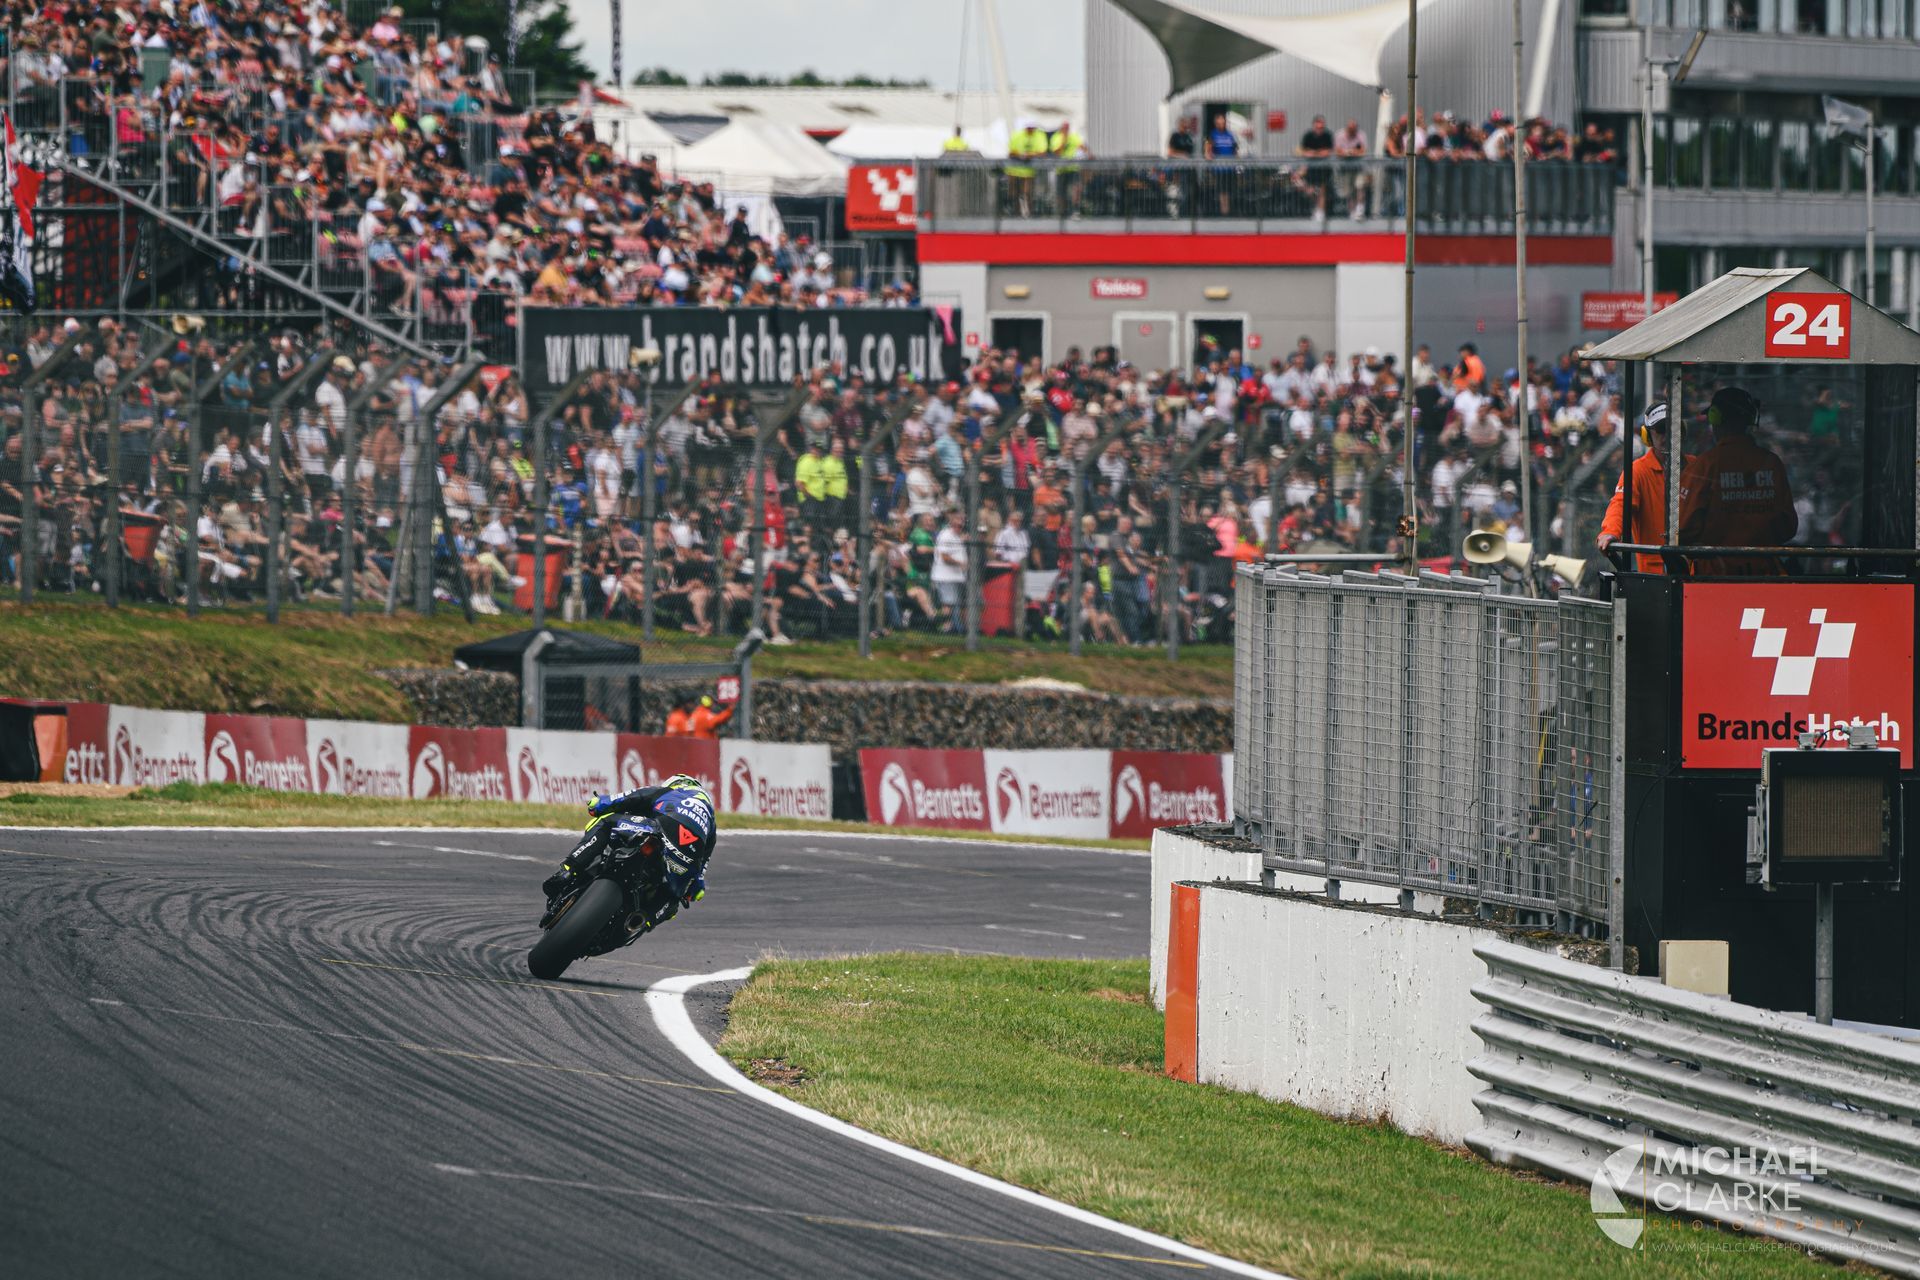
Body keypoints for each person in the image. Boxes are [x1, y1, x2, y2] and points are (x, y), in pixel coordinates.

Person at [540, 774, 715, 929]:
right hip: (686, 860)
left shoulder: (669, 792)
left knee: (607, 822)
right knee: (674, 899)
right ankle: (643, 919)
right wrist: (695, 887)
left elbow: (627, 798)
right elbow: (701, 870)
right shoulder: (711, 824)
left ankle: (568, 871)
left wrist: (599, 803)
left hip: (658, 830)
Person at [1678, 387, 1797, 575]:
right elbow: (1788, 526)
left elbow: (1682, 528)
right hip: (1766, 574)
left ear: (1716, 419)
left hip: (1713, 576)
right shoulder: (1771, 464)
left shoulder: (1704, 466)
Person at [1597, 403, 1689, 573]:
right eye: (1661, 430)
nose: (1667, 435)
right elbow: (1620, 504)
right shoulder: (1637, 471)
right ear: (1648, 436)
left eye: (1672, 428)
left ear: (1681, 431)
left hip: (1697, 575)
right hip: (1655, 577)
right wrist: (1610, 532)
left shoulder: (1697, 467)